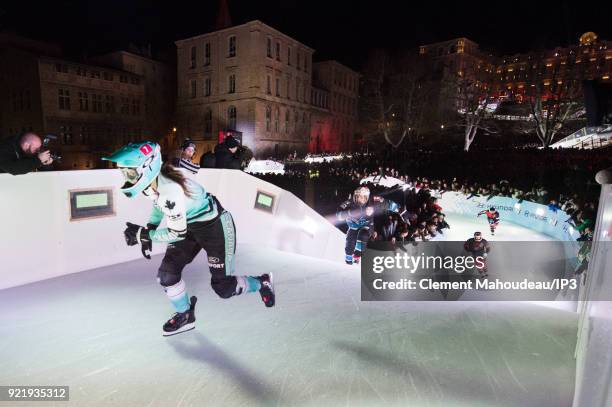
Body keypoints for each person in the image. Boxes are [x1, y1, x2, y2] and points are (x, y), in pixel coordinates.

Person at [102, 141, 275, 336]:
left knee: (224, 288)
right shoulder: (154, 181)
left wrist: (144, 234)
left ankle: (263, 282)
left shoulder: (171, 191)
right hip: (191, 225)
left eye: (130, 173)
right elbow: (159, 205)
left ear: (147, 168)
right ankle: (185, 315)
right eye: (124, 173)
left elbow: (176, 232)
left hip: (216, 227)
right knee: (166, 275)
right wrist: (149, 229)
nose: (127, 178)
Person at [337, 186, 398, 265]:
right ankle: (349, 257)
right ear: (355, 196)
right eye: (359, 196)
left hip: (367, 225)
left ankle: (357, 255)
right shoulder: (349, 202)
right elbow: (338, 215)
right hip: (353, 226)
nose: (361, 199)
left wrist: (396, 208)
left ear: (367, 197)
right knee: (351, 239)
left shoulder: (373, 200)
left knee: (363, 235)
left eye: (363, 197)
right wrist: (349, 213)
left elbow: (385, 203)